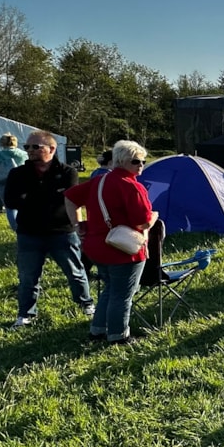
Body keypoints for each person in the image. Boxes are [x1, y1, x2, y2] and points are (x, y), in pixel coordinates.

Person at [64, 140, 155, 345]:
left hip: (96, 246)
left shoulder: (99, 180)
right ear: (122, 161)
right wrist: (153, 219)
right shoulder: (132, 186)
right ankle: (118, 336)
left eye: (143, 161)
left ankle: (97, 331)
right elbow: (142, 222)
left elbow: (70, 197)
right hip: (123, 248)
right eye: (136, 161)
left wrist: (77, 225)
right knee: (123, 295)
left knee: (110, 289)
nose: (140, 165)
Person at [4, 131, 95, 329]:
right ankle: (25, 314)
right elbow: (10, 201)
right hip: (29, 232)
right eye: (27, 147)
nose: (29, 151)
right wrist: (45, 197)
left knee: (76, 272)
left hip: (62, 231)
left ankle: (86, 303)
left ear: (51, 149)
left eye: (35, 147)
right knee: (28, 277)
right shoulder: (17, 173)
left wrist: (30, 197)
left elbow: (68, 199)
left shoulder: (67, 171)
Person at [0, 133, 28, 230]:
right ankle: (25, 225)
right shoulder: (23, 154)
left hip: (3, 183)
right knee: (24, 205)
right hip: (21, 182)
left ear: (1, 143)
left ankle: (16, 228)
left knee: (9, 207)